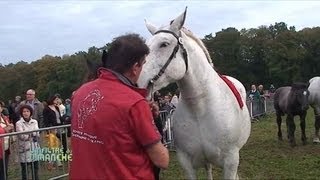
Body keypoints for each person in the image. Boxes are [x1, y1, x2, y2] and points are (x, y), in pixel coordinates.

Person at [70, 33, 169, 180]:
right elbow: (162, 160)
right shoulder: (135, 103)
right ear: (135, 67)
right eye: (143, 64)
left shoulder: (81, 92)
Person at [16, 105, 40, 180]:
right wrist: (31, 134)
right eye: (24, 111)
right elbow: (22, 136)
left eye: (27, 111)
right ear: (21, 113)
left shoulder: (34, 121)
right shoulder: (19, 123)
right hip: (24, 148)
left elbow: (37, 133)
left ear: (30, 112)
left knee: (35, 168)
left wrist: (29, 134)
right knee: (25, 169)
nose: (26, 113)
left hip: (34, 147)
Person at [0, 104, 14, 180]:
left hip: (5, 148)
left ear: (1, 109)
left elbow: (9, 129)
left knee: (4, 171)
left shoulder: (5, 118)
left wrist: (11, 128)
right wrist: (6, 129)